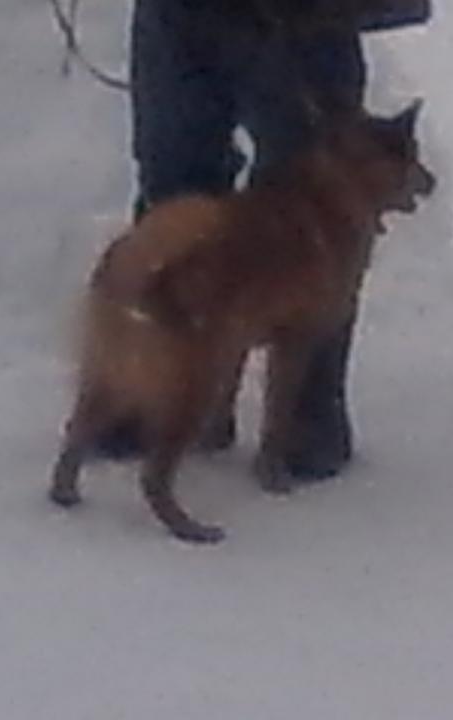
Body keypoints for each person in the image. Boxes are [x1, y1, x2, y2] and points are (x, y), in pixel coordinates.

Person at [119, 0, 431, 480]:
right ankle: (176, 394)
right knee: (174, 203)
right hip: (180, 15)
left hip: (305, 18)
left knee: (316, 208)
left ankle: (302, 421)